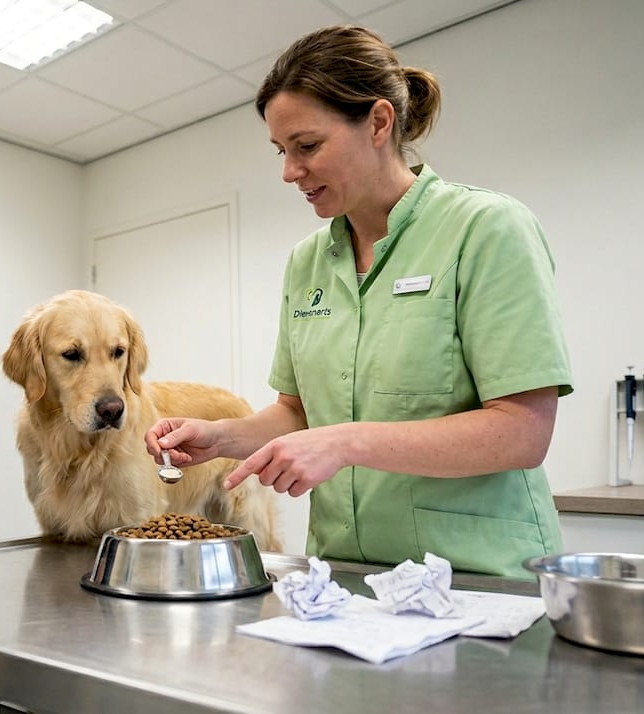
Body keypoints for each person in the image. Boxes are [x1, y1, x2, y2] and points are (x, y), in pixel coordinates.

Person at [145, 25, 571, 579]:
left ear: (378, 122)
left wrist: (347, 442)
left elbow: (521, 432)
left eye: (307, 146)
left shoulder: (486, 229)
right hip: (346, 574)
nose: (289, 171)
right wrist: (218, 436)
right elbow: (296, 413)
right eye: (281, 151)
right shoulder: (307, 262)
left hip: (478, 577)